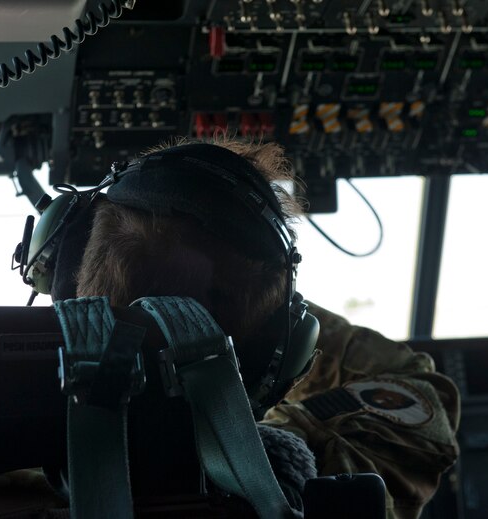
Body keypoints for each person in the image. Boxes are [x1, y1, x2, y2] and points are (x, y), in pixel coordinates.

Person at [57, 136, 460, 518]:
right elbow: (419, 395)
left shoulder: (8, 482)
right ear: (274, 353)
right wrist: (280, 313)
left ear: (67, 275)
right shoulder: (305, 484)